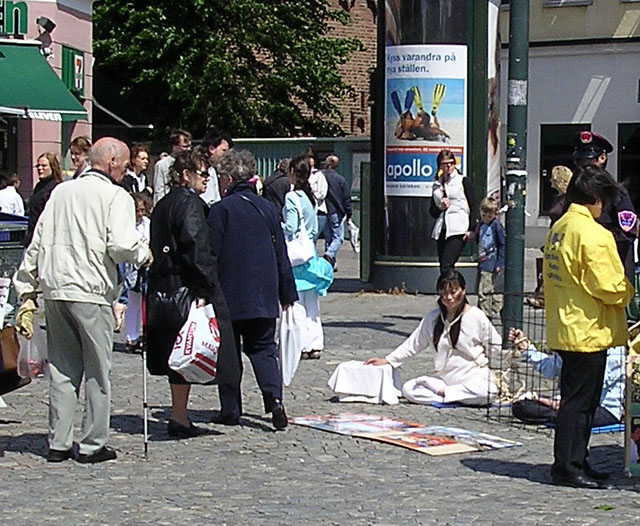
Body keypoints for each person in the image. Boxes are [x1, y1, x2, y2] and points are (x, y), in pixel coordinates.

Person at [13, 137, 152, 463]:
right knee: (97, 371)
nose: (125, 170)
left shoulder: (61, 192)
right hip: (91, 291)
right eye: (125, 165)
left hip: (56, 290)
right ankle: (92, 444)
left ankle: (58, 443)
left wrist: (26, 287)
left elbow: (37, 242)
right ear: (112, 162)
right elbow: (121, 245)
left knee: (62, 370)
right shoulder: (116, 196)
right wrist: (143, 253)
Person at [544, 165, 634, 489]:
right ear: (595, 197)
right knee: (580, 403)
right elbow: (607, 285)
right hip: (588, 327)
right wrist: (628, 291)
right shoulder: (593, 234)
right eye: (604, 201)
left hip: (567, 323)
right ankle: (568, 466)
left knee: (576, 400)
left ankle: (576, 460)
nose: (604, 208)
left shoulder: (560, 227)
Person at [146, 149, 240, 438]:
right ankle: (179, 416)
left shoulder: (163, 204)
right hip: (185, 288)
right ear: (185, 175)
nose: (207, 179)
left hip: (163, 288)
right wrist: (206, 287)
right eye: (202, 173)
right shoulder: (189, 204)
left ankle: (180, 415)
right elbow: (195, 247)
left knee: (178, 354)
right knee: (190, 351)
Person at [208, 149, 297, 430]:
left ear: (229, 178)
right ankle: (275, 401)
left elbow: (212, 254)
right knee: (264, 350)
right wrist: (287, 292)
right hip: (263, 292)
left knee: (229, 354)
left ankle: (230, 409)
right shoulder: (267, 208)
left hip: (230, 293)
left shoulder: (221, 210)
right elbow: (281, 252)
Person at [365, 270, 499, 405]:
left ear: (464, 290)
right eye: (444, 293)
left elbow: (496, 346)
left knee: (489, 391)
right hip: (444, 381)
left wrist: (511, 350)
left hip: (474, 379)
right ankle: (453, 396)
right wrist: (388, 360)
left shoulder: (476, 316)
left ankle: (446, 394)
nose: (449, 298)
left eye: (453, 292)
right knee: (408, 389)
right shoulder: (433, 317)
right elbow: (414, 344)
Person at [508, 328, 623, 428]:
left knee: (571, 417)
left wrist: (554, 403)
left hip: (602, 409)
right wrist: (526, 349)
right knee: (521, 407)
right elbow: (551, 368)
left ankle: (560, 414)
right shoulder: (572, 344)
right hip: (570, 405)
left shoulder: (613, 349)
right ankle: (560, 413)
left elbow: (592, 387)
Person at [283, 156, 334, 361]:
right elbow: (312, 229)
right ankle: (315, 343)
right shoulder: (309, 196)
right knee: (312, 303)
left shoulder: (292, 197)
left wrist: (277, 227)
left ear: (293, 172)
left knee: (297, 302)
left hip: (295, 257)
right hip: (309, 253)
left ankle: (301, 344)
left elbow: (291, 227)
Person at [571, 130, 637, 281]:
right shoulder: (573, 190)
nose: (583, 167)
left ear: (602, 158)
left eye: (587, 161)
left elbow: (627, 234)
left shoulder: (615, 192)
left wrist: (599, 237)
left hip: (609, 265)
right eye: (579, 161)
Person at [430, 149, 476, 273]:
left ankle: (455, 284)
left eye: (451, 163)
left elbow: (473, 205)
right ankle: (449, 284)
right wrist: (441, 208)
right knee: (443, 266)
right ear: (440, 166)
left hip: (458, 228)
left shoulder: (462, 181)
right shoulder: (437, 185)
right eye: (445, 163)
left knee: (447, 264)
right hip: (442, 229)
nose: (449, 166)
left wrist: (472, 229)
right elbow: (432, 211)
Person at [121, 193, 152, 352]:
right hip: (132, 267)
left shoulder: (148, 224)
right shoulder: (125, 225)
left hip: (147, 265)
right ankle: (131, 337)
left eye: (142, 210)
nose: (140, 214)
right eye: (137, 211)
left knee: (147, 302)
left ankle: (146, 334)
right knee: (133, 302)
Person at [319, 154, 353, 270]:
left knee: (328, 238)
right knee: (338, 238)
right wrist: (349, 213)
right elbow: (346, 198)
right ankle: (329, 255)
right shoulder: (340, 180)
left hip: (323, 210)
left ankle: (330, 265)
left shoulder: (320, 177)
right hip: (336, 211)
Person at [24, 152, 62, 246]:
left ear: (52, 167)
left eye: (44, 166)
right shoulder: (39, 186)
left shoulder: (56, 187)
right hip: (33, 235)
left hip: (46, 238)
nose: (40, 168)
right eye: (38, 166)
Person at [476, 197, 505, 316]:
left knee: (484, 290)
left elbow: (502, 244)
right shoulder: (481, 224)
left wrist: (499, 263)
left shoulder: (496, 225)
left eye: (489, 216)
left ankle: (486, 314)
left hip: (491, 262)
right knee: (486, 287)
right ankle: (496, 307)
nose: (486, 218)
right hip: (482, 261)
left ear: (495, 214)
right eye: (484, 215)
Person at [153, 129, 192, 205]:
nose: (188, 149)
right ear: (174, 146)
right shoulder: (162, 165)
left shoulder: (191, 163)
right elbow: (159, 191)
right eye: (184, 147)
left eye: (189, 146)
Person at [199, 130, 233, 206]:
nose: (227, 155)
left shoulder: (213, 169)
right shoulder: (204, 169)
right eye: (224, 150)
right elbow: (209, 201)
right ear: (211, 149)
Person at [306, 148, 329, 241]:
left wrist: (312, 196)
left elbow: (322, 193)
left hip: (318, 211)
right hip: (306, 212)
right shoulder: (302, 175)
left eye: (311, 157)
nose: (309, 160)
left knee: (313, 239)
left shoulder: (319, 175)